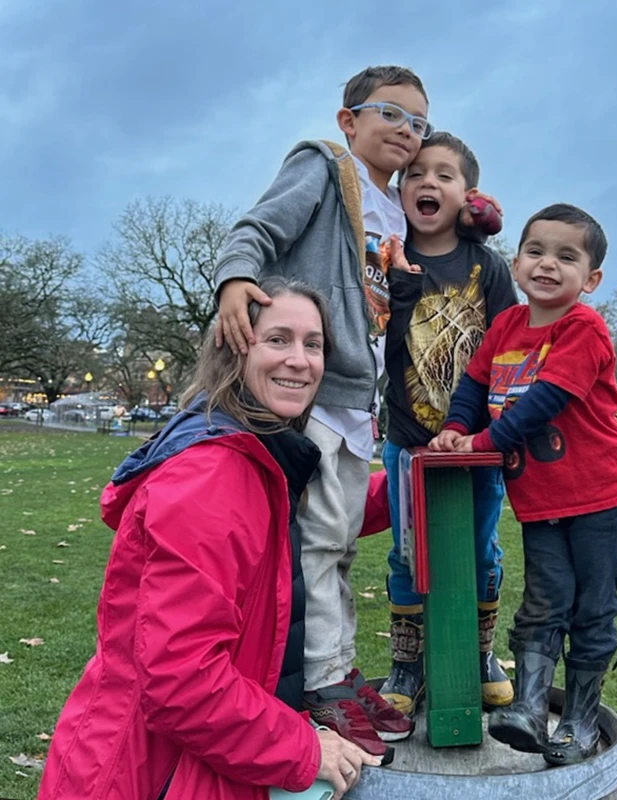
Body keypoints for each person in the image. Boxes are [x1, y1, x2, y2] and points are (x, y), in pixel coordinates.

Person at [38, 278, 381, 800]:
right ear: (235, 349)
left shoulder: (258, 456)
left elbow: (319, 520)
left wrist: (415, 484)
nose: (299, 360)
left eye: (313, 344)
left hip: (201, 759)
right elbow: (182, 682)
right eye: (278, 339)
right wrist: (307, 748)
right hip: (153, 774)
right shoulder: (213, 476)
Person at [212, 65, 429, 752]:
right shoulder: (327, 169)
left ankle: (336, 667)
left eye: (418, 123)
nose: (406, 131)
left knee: (335, 549)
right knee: (317, 543)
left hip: (358, 399)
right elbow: (260, 228)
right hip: (313, 389)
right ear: (348, 121)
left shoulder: (398, 213)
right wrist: (237, 278)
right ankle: (319, 679)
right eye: (391, 114)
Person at [430, 203, 617, 766]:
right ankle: (526, 707)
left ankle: (579, 718)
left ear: (589, 279)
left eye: (566, 257)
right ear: (516, 263)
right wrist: (456, 427)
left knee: (592, 608)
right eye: (536, 252)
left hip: (597, 497)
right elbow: (474, 387)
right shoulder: (506, 328)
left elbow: (545, 401)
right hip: (541, 502)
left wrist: (485, 442)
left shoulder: (583, 328)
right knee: (544, 602)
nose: (548, 264)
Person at [379, 132, 518, 716]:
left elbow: (511, 345)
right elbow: (382, 343)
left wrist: (497, 427)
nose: (427, 183)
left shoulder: (487, 265)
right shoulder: (387, 256)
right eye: (415, 174)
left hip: (478, 444)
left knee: (481, 548)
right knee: (406, 553)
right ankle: (408, 663)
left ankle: (480, 650)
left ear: (468, 195)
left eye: (444, 175)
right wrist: (399, 288)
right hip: (409, 440)